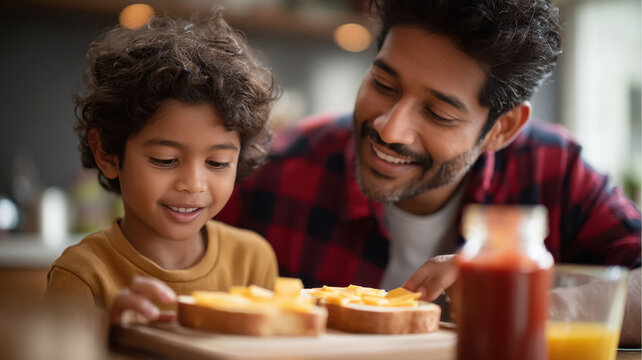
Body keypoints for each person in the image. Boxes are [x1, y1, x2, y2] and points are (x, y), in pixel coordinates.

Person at [217, 0, 641, 345]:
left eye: (437, 113)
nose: (389, 128)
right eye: (383, 85)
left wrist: (532, 303)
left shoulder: (556, 173)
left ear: (502, 127)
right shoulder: (279, 168)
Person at [45, 9, 279, 324]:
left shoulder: (253, 260)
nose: (193, 184)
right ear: (107, 154)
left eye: (217, 162)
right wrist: (103, 336)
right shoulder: (83, 274)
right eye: (165, 160)